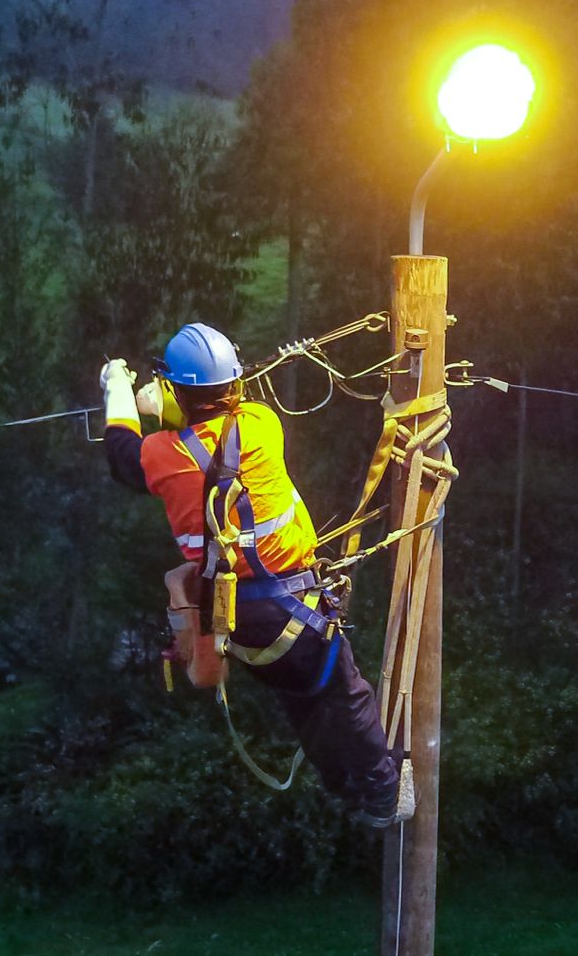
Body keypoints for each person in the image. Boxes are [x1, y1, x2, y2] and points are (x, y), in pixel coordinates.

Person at [100, 321, 400, 826]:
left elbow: (121, 456)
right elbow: (217, 427)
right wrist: (174, 401)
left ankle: (345, 790)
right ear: (235, 387)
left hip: (236, 622)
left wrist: (122, 393)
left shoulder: (159, 456)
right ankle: (384, 792)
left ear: (174, 390)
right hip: (297, 608)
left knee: (301, 697)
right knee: (347, 693)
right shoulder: (262, 424)